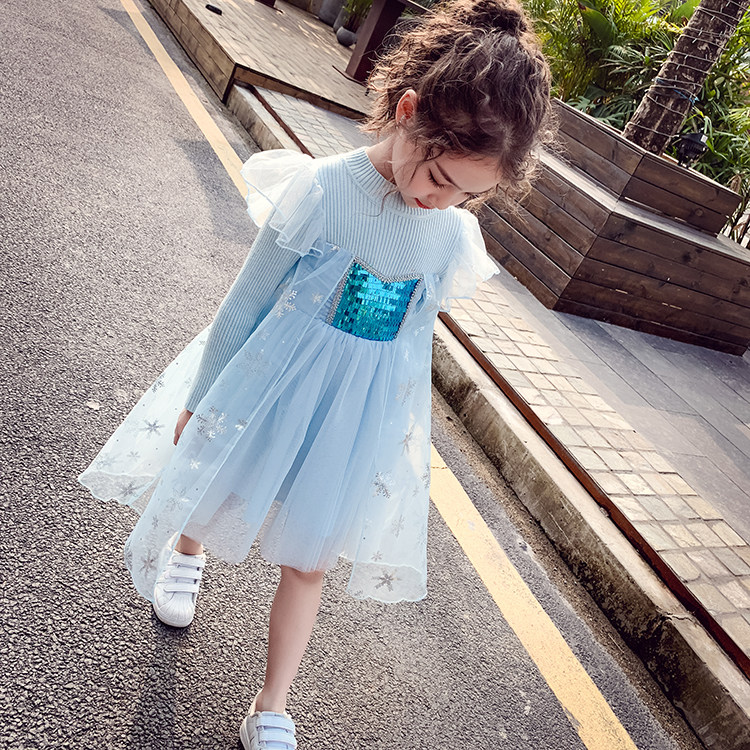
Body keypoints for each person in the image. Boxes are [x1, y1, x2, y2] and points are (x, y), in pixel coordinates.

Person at [79, 0, 552, 746]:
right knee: (218, 485)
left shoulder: (450, 235)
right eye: (438, 176)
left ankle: (271, 704)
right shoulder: (323, 190)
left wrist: (391, 436)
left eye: (466, 193)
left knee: (311, 559)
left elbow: (411, 345)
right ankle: (187, 552)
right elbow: (245, 304)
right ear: (407, 112)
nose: (441, 199)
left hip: (349, 415)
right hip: (269, 385)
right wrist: (202, 400)